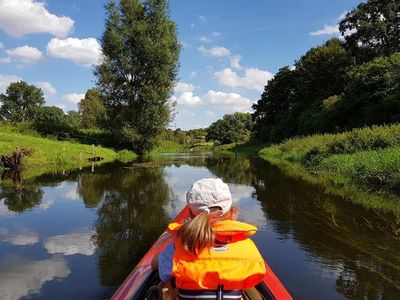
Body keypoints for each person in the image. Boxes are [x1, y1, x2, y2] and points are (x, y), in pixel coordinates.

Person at [152, 178, 266, 299]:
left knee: (168, 283)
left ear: (190, 214)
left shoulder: (177, 246)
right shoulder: (244, 245)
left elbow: (154, 265)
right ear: (231, 211)